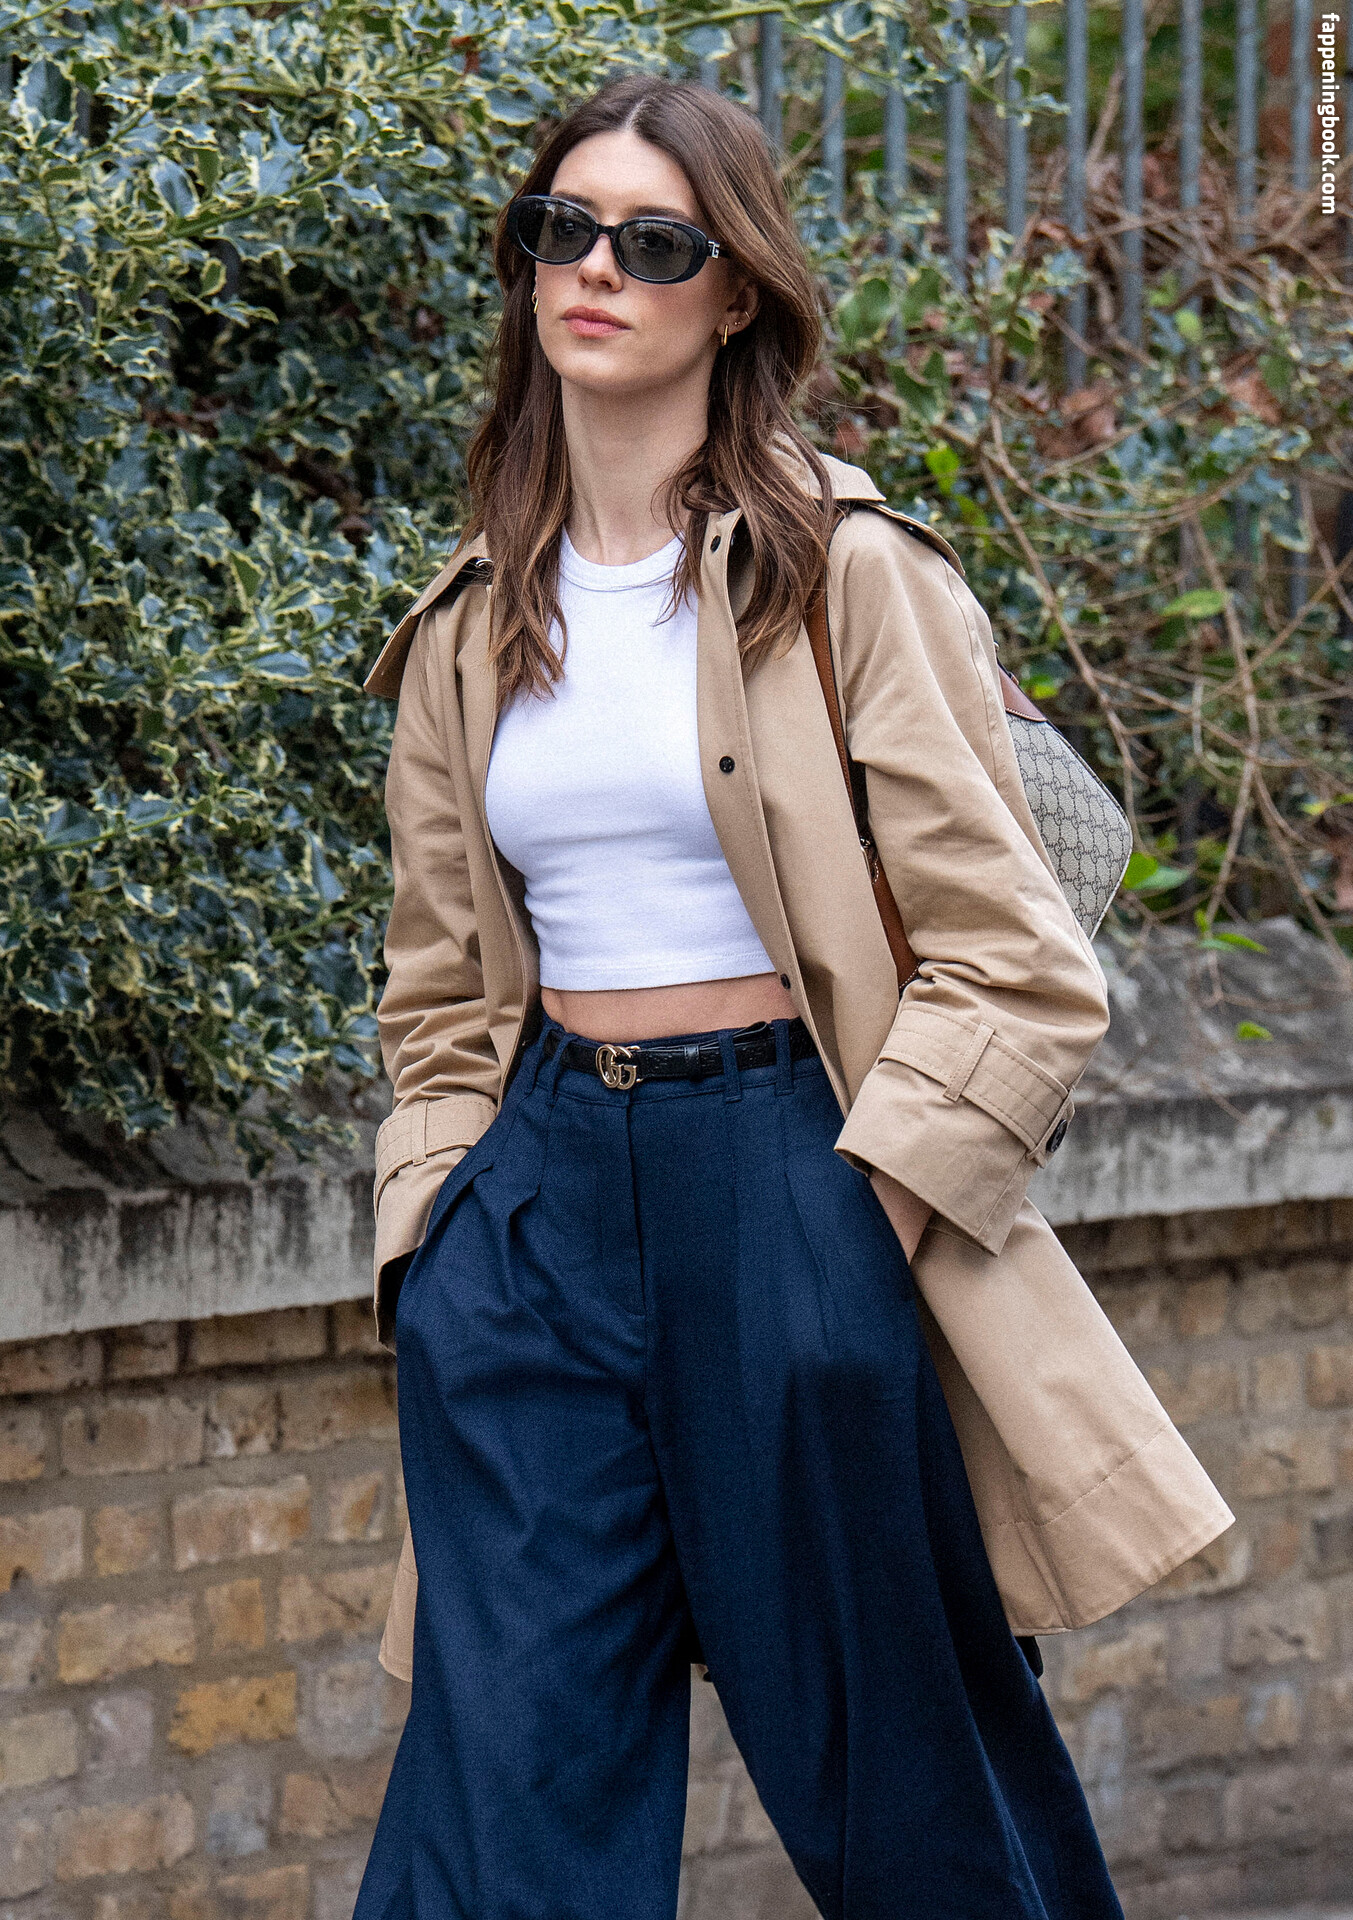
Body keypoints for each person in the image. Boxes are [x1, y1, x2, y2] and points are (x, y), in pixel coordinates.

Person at [352, 72, 1232, 1920]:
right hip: (532, 1216)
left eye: (653, 241)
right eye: (559, 228)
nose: (595, 268)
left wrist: (863, 1219)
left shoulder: (840, 573)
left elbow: (1015, 958)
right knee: (503, 1779)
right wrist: (439, 1238)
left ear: (735, 287)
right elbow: (436, 988)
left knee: (901, 1771)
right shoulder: (470, 621)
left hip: (790, 1169)